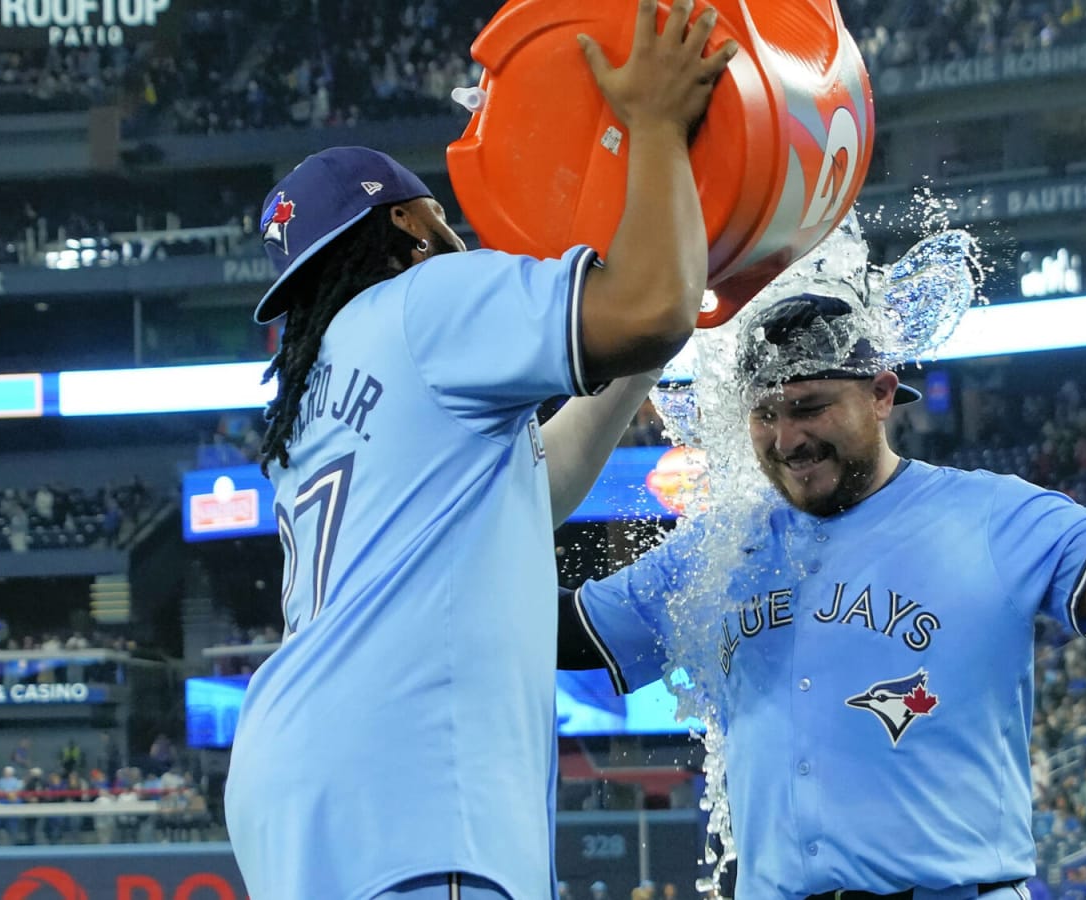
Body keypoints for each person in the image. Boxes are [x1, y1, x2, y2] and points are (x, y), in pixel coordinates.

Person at [558, 290, 1086, 898]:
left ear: (880, 393)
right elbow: (571, 636)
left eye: (809, 406)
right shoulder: (721, 546)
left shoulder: (988, 512)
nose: (787, 438)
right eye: (765, 416)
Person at [223, 1, 738, 897]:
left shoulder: (310, 400)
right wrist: (656, 125)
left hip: (296, 782)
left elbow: (538, 486)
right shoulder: (426, 300)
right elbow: (649, 304)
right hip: (411, 778)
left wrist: (645, 350)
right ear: (409, 228)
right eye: (441, 221)